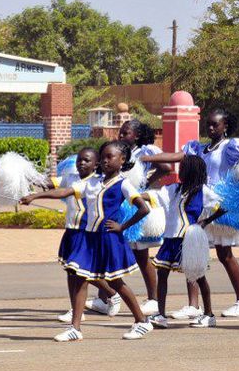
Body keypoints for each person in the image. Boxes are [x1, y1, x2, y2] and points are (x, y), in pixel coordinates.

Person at [28, 141, 153, 341]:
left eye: (110, 157)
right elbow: (65, 191)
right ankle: (75, 328)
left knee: (116, 282)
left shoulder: (123, 184)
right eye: (102, 157)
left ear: (122, 160)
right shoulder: (92, 181)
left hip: (109, 240)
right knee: (79, 277)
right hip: (89, 238)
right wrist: (36, 195)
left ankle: (142, 321)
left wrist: (122, 226)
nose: (105, 160)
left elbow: (143, 208)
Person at [142, 108, 239, 317]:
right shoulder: (199, 149)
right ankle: (193, 305)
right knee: (191, 252)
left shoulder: (230, 148)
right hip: (196, 203)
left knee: (225, 254)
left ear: (226, 126)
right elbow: (178, 156)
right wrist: (150, 159)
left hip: (216, 203)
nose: (211, 127)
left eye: (216, 124)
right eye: (209, 124)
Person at [87, 119, 171, 317]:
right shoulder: (117, 152)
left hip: (135, 204)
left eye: (126, 133)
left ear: (138, 135)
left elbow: (166, 167)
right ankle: (104, 298)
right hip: (119, 205)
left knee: (141, 254)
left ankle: (152, 299)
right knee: (108, 252)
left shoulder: (145, 151)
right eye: (121, 133)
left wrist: (145, 181)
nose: (122, 136)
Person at [22, 148, 108, 323]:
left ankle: (112, 294)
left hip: (87, 232)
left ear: (96, 164)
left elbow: (61, 193)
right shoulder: (70, 177)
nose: (81, 163)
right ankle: (75, 309)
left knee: (82, 272)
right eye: (79, 160)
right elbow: (49, 183)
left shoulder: (97, 182)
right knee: (70, 271)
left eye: (86, 160)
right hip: (71, 231)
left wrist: (35, 196)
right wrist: (25, 176)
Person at [142, 155, 226, 329]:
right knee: (162, 274)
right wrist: (133, 194)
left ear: (193, 171)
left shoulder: (204, 191)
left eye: (184, 168)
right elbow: (153, 196)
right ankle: (161, 314)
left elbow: (224, 206)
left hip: (189, 239)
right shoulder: (173, 189)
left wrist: (205, 221)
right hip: (170, 238)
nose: (180, 171)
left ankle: (209, 314)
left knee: (198, 276)